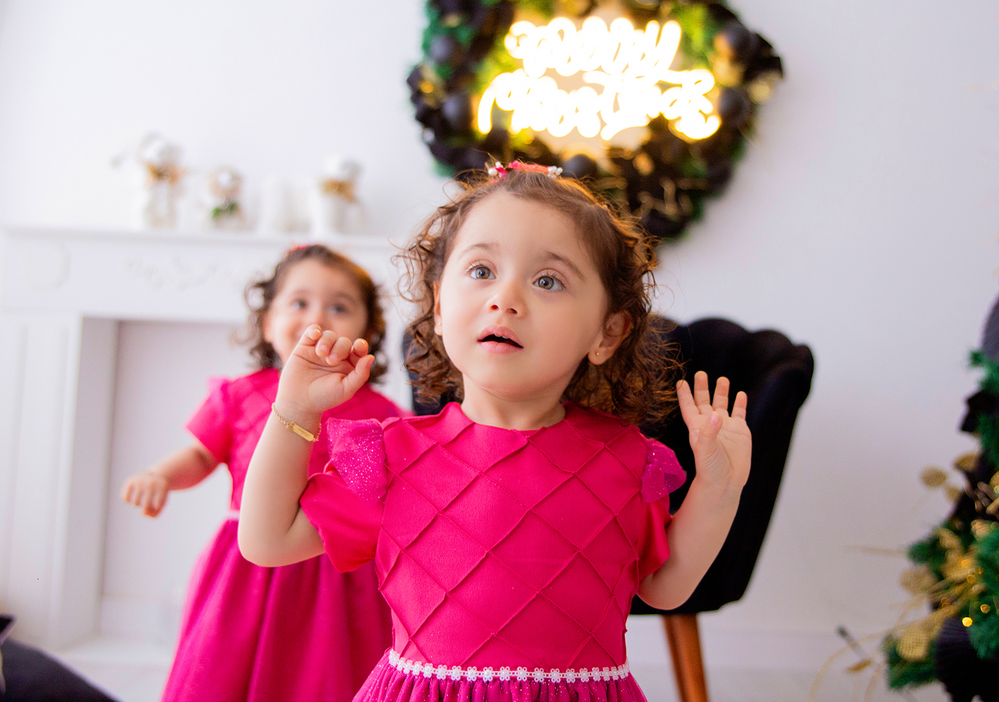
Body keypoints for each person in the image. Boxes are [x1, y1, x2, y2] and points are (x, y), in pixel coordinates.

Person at [239, 164, 752, 702]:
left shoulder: (627, 460)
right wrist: (292, 414)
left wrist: (718, 490)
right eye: (482, 270)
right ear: (439, 307)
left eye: (547, 280)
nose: (505, 298)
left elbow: (665, 588)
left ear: (607, 332)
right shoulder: (391, 458)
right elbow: (266, 542)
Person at [121, 244, 404, 702]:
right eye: (299, 302)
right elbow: (200, 456)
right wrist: (159, 476)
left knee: (327, 677)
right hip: (245, 570)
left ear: (368, 330)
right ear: (268, 322)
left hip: (338, 576)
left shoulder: (381, 415)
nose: (318, 317)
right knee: (226, 671)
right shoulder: (240, 396)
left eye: (339, 306)